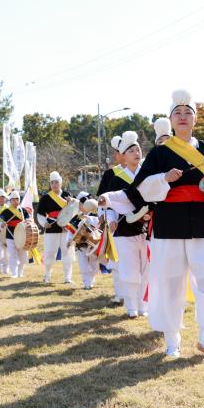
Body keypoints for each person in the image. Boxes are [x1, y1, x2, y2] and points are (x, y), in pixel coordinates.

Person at [100, 89, 204, 358]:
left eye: (188, 113)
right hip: (169, 222)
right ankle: (173, 341)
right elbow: (140, 191)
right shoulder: (159, 154)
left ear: (195, 119)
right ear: (170, 119)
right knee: (170, 282)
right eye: (177, 113)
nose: (183, 117)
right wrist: (163, 179)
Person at [103, 131, 150, 318]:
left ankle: (143, 306)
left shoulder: (147, 175)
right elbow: (108, 202)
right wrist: (111, 218)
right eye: (131, 150)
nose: (136, 153)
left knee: (146, 269)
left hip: (147, 229)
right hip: (124, 229)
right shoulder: (117, 178)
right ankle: (131, 306)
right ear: (123, 155)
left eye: (138, 149)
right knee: (130, 270)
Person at [98, 139, 126, 302]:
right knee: (115, 257)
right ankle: (120, 293)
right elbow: (102, 197)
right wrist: (103, 214)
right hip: (114, 218)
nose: (115, 155)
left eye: (117, 151)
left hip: (136, 219)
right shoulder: (110, 174)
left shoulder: (139, 170)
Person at [37, 171, 76, 284]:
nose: (54, 184)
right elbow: (40, 214)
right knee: (49, 252)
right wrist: (44, 223)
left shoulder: (67, 195)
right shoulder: (45, 198)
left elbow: (73, 211)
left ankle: (67, 278)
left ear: (60, 183)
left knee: (67, 252)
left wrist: (71, 203)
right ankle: (47, 276)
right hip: (51, 228)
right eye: (52, 182)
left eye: (56, 182)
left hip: (66, 228)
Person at [0, 190, 31, 278]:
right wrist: (2, 223)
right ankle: (14, 273)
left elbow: (29, 219)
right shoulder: (6, 211)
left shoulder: (23, 211)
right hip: (10, 236)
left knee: (23, 256)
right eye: (13, 199)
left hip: (22, 236)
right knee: (13, 254)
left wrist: (28, 220)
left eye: (17, 199)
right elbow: (0, 219)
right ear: (10, 200)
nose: (15, 201)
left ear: (19, 200)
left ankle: (20, 272)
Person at [74, 193, 101, 290]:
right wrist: (69, 240)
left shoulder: (95, 214)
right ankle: (86, 283)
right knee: (83, 264)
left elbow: (99, 223)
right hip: (81, 244)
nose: (82, 206)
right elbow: (73, 230)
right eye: (81, 204)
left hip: (94, 243)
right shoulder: (76, 216)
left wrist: (87, 218)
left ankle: (91, 280)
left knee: (94, 264)